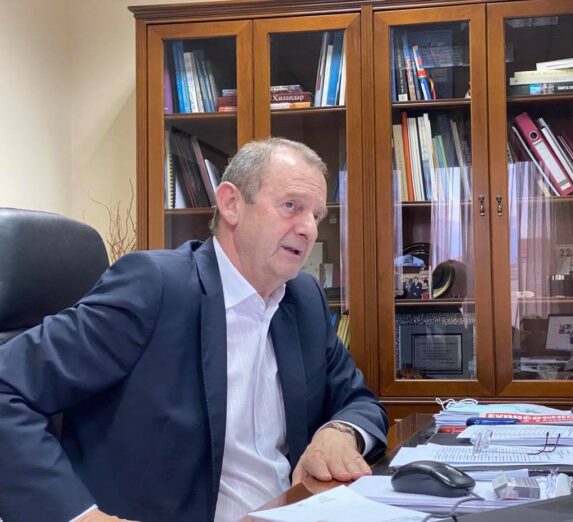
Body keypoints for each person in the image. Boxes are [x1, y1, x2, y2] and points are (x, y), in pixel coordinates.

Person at [0, 138, 388, 522]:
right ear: (231, 203)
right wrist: (81, 518)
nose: (308, 229)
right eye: (291, 207)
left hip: (291, 510)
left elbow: (359, 399)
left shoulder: (303, 300)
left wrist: (341, 432)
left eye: (316, 216)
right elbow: (7, 385)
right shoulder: (153, 287)